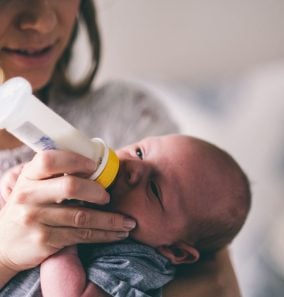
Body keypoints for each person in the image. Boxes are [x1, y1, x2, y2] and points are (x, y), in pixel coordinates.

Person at [0, 1, 243, 296]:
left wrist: (56, 241)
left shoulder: (128, 118)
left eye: (154, 190)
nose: (44, 22)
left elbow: (218, 286)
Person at [0, 134, 251, 296]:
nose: (134, 167)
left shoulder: (138, 261)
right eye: (140, 152)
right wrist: (13, 191)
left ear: (175, 251)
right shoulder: (80, 180)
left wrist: (62, 242)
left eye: (154, 189)